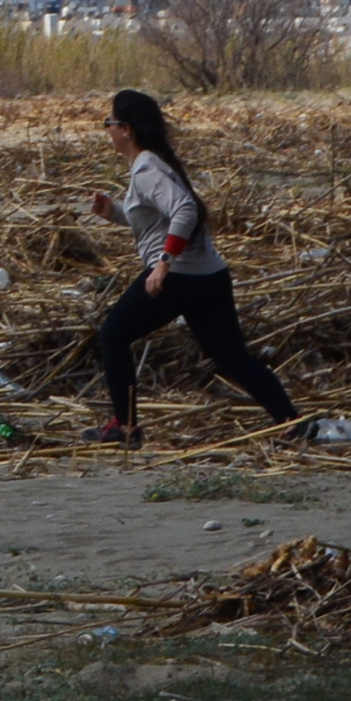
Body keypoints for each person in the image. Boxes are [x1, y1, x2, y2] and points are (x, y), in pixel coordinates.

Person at [82, 88, 293, 443]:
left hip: (179, 278)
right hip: (209, 276)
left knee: (113, 335)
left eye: (110, 122)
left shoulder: (147, 169)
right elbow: (158, 219)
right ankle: (292, 422)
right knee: (231, 358)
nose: (108, 130)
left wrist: (163, 263)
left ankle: (126, 426)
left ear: (126, 129)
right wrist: (114, 213)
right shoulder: (154, 164)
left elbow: (184, 210)